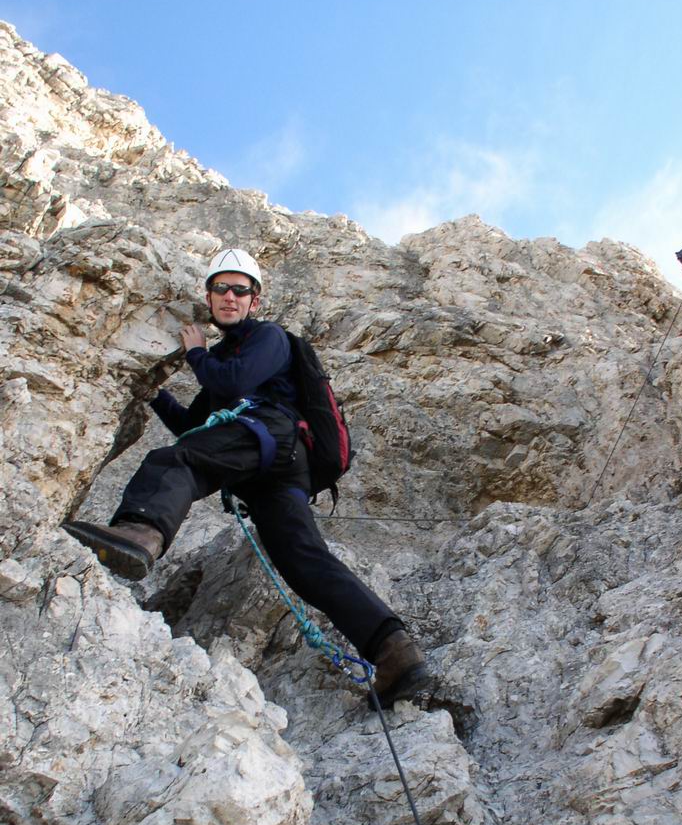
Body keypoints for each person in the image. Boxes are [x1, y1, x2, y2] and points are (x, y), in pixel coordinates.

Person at [65, 248, 429, 708]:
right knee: (303, 561)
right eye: (221, 288)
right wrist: (153, 394)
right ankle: (395, 653)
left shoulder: (268, 337)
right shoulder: (221, 359)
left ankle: (142, 531)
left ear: (254, 301)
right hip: (272, 470)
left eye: (240, 290)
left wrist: (196, 352)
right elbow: (194, 426)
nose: (230, 297)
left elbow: (235, 383)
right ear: (209, 297)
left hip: (268, 435)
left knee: (174, 461)